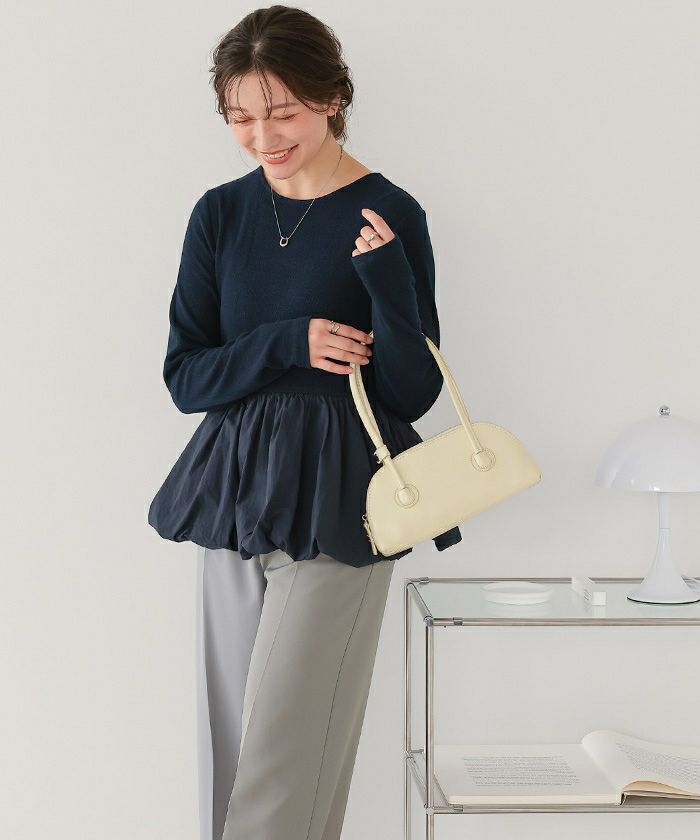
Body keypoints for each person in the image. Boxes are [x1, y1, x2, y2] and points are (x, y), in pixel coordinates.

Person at [147, 6, 462, 839]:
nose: (262, 137)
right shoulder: (220, 214)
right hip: (232, 495)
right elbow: (186, 376)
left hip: (341, 501)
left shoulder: (389, 211)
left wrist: (387, 282)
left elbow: (412, 391)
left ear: (331, 98)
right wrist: (289, 341)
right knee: (233, 748)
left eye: (282, 112)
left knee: (287, 754)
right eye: (240, 118)